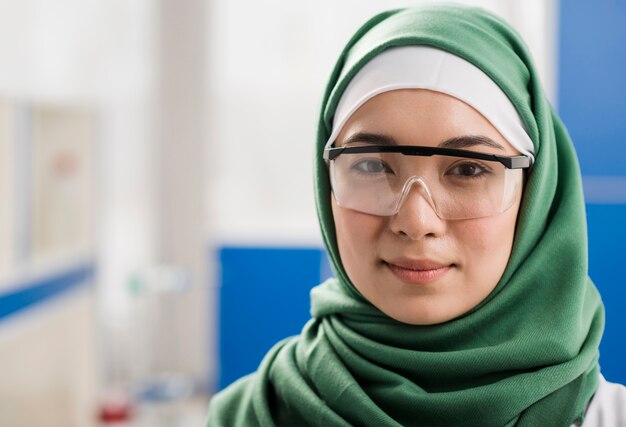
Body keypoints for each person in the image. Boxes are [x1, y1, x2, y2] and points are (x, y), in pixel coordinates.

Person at [207, 4, 626, 426]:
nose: (415, 220)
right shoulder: (249, 415)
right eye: (371, 165)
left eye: (468, 169)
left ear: (535, 194)